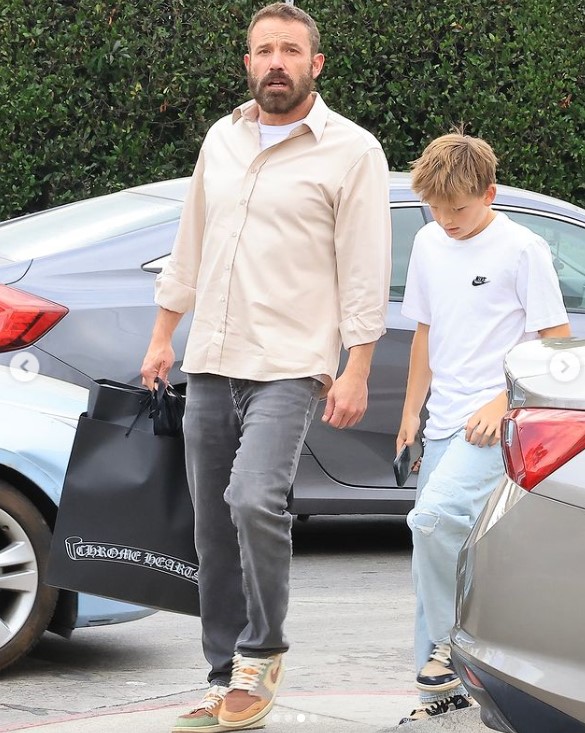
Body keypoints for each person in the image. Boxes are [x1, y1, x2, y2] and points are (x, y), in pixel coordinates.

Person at [140, 4, 392, 732]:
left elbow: (364, 266)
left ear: (316, 64)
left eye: (290, 50)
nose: (274, 61)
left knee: (253, 499)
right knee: (212, 524)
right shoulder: (222, 138)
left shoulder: (351, 151)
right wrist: (163, 334)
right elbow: (190, 240)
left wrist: (356, 366)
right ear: (246, 62)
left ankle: (261, 651)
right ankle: (223, 676)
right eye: (262, 50)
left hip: (291, 362)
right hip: (212, 357)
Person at [396, 132, 570, 724]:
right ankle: (437, 699)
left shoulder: (523, 249)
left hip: (497, 425)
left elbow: (557, 344)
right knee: (434, 552)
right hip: (441, 422)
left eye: (459, 210)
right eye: (435, 209)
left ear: (489, 193)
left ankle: (450, 649)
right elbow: (424, 333)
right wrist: (409, 415)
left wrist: (502, 400)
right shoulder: (426, 241)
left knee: (434, 520)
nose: (445, 221)